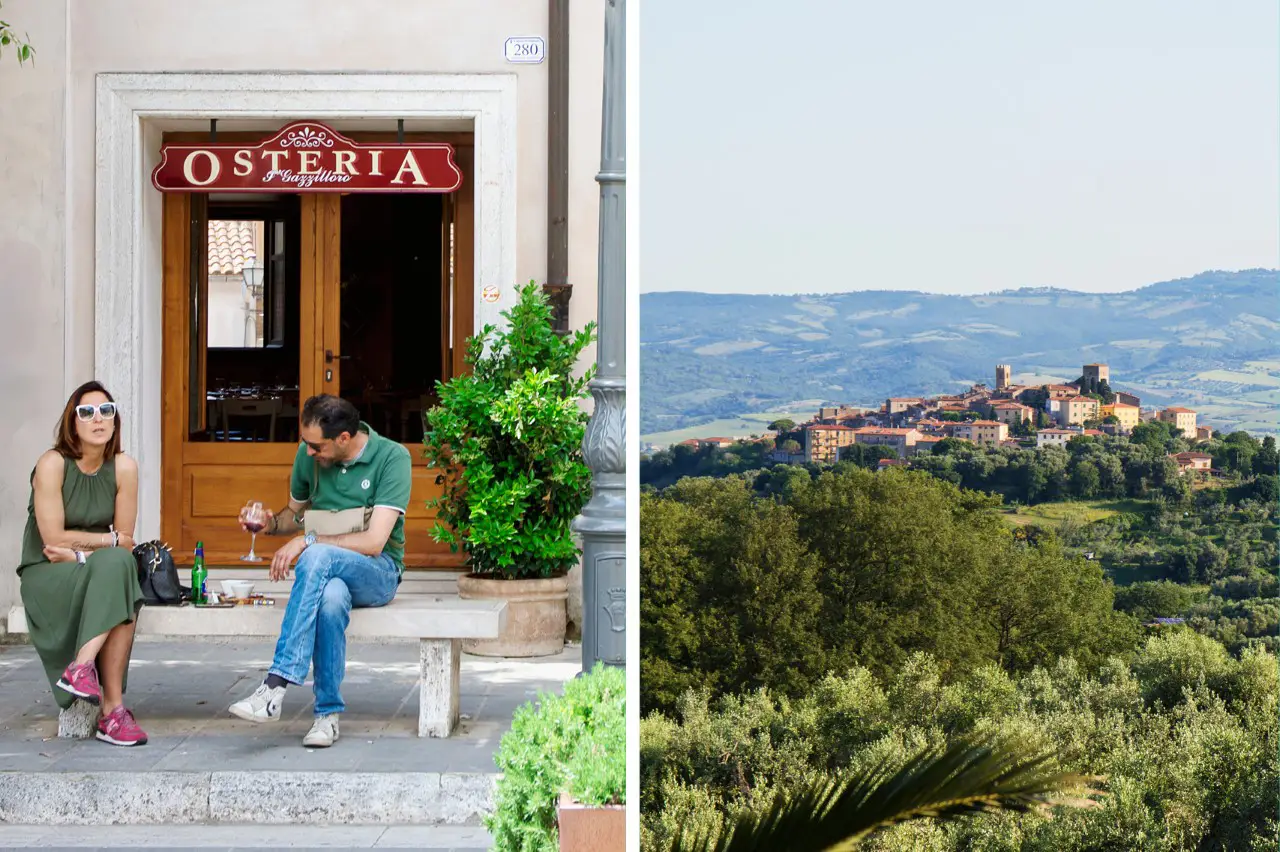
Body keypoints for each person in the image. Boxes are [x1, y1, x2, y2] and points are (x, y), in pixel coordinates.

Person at [228, 394, 411, 748]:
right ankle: (326, 715)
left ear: (344, 438)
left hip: (379, 572)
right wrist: (268, 524)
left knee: (315, 556)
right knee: (329, 599)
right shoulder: (308, 453)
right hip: (330, 576)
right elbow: (292, 516)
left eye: (316, 446)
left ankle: (276, 684)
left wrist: (306, 541)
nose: (309, 452)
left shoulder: (392, 457)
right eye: (306, 443)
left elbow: (374, 542)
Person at [16, 380, 147, 746]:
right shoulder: (52, 464)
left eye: (106, 410)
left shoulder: (124, 468)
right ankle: (113, 712)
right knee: (119, 570)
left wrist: (82, 551)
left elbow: (125, 540)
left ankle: (81, 669)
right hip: (47, 573)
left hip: (91, 566)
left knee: (120, 566)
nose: (98, 419)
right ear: (73, 423)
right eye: (86, 412)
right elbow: (52, 540)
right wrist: (99, 545)